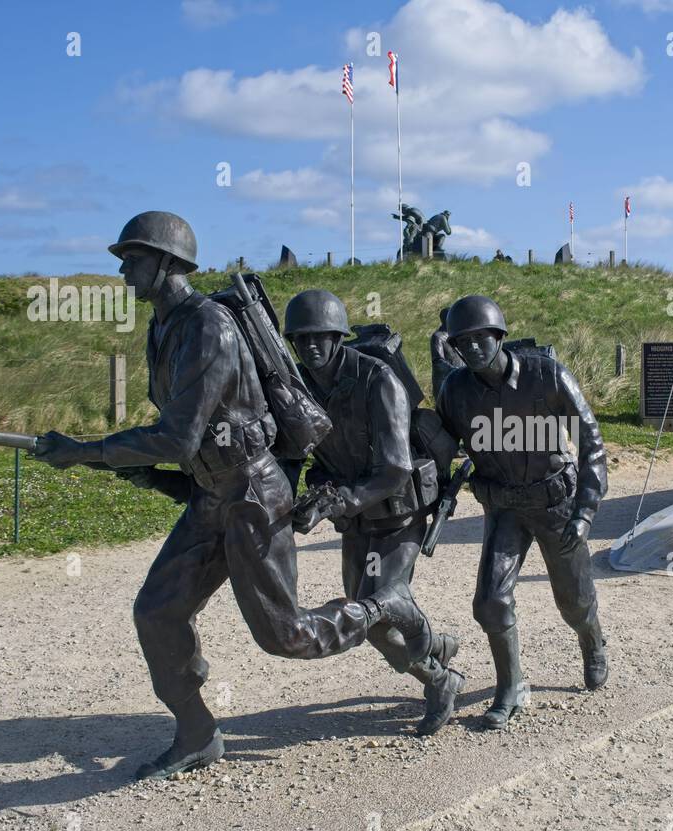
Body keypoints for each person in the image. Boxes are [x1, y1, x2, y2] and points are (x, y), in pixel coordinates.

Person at [33, 212, 430, 779]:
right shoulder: (162, 326)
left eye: (133, 259)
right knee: (157, 610)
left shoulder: (208, 327)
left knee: (286, 636)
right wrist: (143, 469)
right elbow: (183, 432)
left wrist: (87, 449)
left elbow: (176, 435)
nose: (122, 270)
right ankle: (197, 732)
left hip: (252, 494)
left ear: (169, 263)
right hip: (211, 493)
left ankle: (379, 605)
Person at [280, 290, 463, 736]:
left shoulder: (377, 379)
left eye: (321, 337)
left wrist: (336, 500)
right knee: (366, 616)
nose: (311, 347)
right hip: (357, 521)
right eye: (301, 340)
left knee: (373, 615)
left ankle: (442, 682)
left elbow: (396, 467)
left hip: (399, 516)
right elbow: (292, 451)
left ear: (339, 336)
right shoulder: (299, 386)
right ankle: (435, 643)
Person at [434, 295, 610, 729]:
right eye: (464, 342)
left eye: (481, 338)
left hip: (557, 505)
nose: (473, 348)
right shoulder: (455, 392)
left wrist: (584, 512)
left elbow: (592, 445)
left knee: (573, 601)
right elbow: (441, 452)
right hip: (504, 509)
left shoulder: (545, 375)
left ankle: (592, 640)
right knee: (490, 601)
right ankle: (511, 686)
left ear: (499, 336)